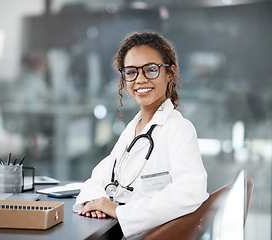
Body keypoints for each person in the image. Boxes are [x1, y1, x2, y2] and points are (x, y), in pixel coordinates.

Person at [73, 32, 209, 239]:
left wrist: (120, 212)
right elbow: (98, 179)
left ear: (170, 73)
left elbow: (191, 192)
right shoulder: (133, 130)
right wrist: (97, 203)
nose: (140, 79)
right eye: (131, 72)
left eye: (151, 70)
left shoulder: (179, 128)